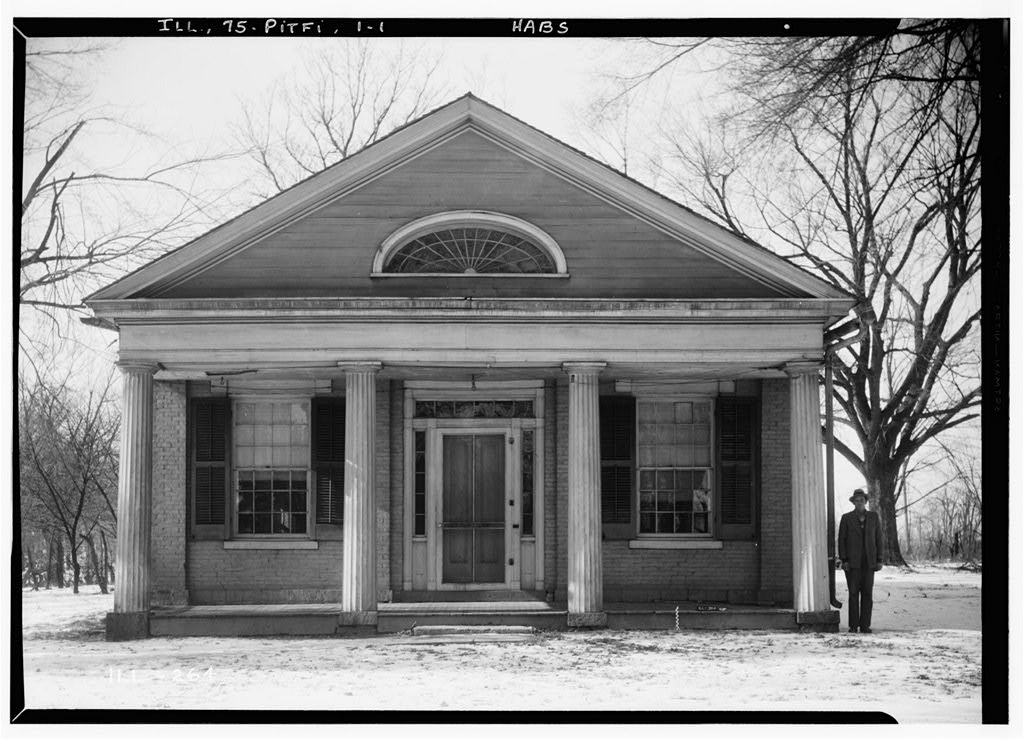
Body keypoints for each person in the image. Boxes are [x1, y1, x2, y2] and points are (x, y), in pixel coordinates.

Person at [837, 488, 884, 633]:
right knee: (853, 594)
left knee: (867, 594)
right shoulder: (846, 518)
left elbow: (878, 539)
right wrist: (844, 559)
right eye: (856, 500)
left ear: (865, 502)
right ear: (853, 502)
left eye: (862, 500)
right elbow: (842, 540)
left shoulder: (873, 517)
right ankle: (853, 625)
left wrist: (879, 559)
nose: (859, 503)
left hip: (869, 563)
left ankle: (865, 625)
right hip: (852, 563)